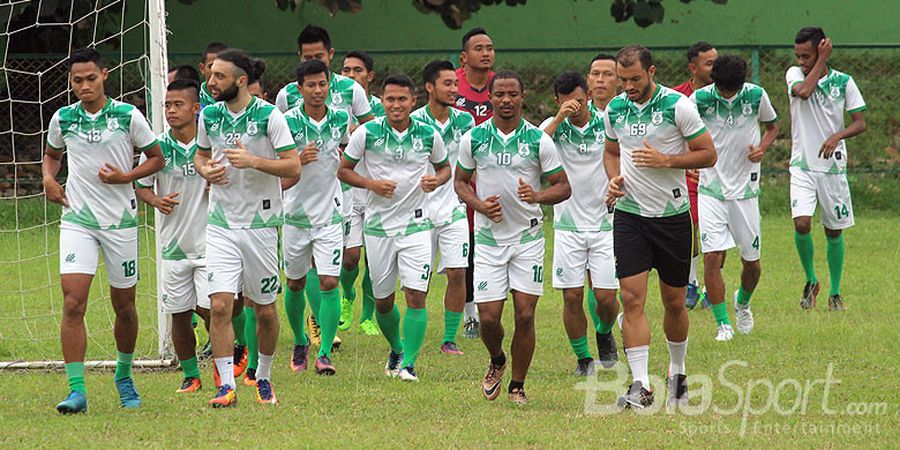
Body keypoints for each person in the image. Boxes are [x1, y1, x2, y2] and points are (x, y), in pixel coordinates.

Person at [44, 47, 165, 414]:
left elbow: (158, 157)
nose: (84, 86)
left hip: (121, 223)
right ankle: (76, 391)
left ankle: (124, 375)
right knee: (72, 301)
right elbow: (52, 155)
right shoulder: (63, 118)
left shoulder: (128, 116)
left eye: (90, 79)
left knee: (124, 306)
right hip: (78, 219)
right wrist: (49, 178)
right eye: (77, 80)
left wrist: (127, 177)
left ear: (105, 76)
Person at [603, 45, 716, 409]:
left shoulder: (677, 106)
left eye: (634, 79)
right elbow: (611, 151)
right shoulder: (616, 108)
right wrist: (614, 179)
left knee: (674, 303)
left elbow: (707, 153)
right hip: (631, 216)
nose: (628, 86)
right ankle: (640, 384)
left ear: (651, 71)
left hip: (672, 219)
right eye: (623, 80)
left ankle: (677, 374)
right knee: (631, 299)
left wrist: (666, 160)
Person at [455, 71, 571, 405]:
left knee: (525, 314)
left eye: (513, 94)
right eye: (500, 94)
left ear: (522, 97)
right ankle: (497, 359)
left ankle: (517, 385)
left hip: (527, 239)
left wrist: (536, 196)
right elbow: (460, 182)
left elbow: (563, 187)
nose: (506, 100)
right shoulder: (473, 138)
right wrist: (478, 205)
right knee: (488, 318)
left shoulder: (538, 140)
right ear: (490, 98)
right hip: (490, 240)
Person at [195, 49, 300, 407]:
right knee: (221, 305)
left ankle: (264, 375)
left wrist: (253, 160)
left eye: (219, 76)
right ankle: (226, 385)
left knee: (265, 309)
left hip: (261, 226)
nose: (211, 82)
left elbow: (293, 167)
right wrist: (204, 169)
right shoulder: (208, 115)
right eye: (210, 75)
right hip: (221, 224)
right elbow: (199, 153)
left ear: (241, 81)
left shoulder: (270, 116)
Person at [338, 74, 450, 382]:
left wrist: (436, 180)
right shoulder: (366, 133)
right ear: (382, 101)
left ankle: (410, 364)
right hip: (377, 229)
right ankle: (398, 348)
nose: (396, 105)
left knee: (416, 296)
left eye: (402, 99)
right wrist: (371, 184)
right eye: (390, 99)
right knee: (384, 303)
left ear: (413, 101)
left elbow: (445, 168)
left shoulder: (428, 135)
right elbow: (344, 170)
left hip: (416, 226)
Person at [275, 25, 373, 351]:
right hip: (296, 205)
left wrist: (350, 156)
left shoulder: (347, 97)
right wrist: (296, 161)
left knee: (339, 266)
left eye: (319, 57)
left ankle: (327, 337)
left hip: (337, 198)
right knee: (300, 277)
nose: (317, 89)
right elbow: (279, 156)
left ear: (330, 55)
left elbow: (364, 133)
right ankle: (311, 329)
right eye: (308, 59)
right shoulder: (285, 103)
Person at [690, 55, 778, 340]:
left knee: (752, 264)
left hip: (745, 192)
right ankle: (723, 324)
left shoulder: (755, 95)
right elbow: (682, 131)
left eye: (732, 90)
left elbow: (772, 127)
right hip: (711, 190)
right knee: (712, 258)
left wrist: (762, 148)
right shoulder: (700, 99)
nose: (727, 94)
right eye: (723, 89)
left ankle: (743, 303)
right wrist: (688, 160)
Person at [539, 71, 619, 375]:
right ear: (557, 101)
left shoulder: (606, 122)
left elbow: (621, 155)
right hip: (568, 226)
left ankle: (604, 330)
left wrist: (617, 184)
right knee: (571, 296)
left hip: (605, 223)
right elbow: (534, 148)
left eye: (579, 99)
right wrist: (559, 118)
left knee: (606, 297)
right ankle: (584, 359)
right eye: (566, 101)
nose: (575, 105)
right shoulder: (552, 127)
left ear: (587, 95)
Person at [135, 79, 210, 392]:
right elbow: (141, 185)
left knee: (212, 310)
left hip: (210, 244)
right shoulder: (158, 147)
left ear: (195, 108)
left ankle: (229, 363)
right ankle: (191, 375)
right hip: (173, 247)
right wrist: (155, 200)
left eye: (178, 104)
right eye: (167, 105)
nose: (170, 111)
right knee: (179, 314)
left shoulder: (210, 146)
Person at [787, 27, 866, 311]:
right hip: (802, 166)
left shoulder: (844, 82)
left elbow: (860, 122)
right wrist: (820, 60)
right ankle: (811, 280)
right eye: (798, 55)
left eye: (806, 55)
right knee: (802, 223)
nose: (800, 61)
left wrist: (837, 136)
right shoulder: (794, 76)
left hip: (832, 168)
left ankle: (835, 292)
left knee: (833, 231)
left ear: (820, 48)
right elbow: (805, 92)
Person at [281, 59, 349, 375]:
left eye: (322, 84)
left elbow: (348, 152)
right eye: (311, 85)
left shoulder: (339, 119)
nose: (318, 90)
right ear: (300, 89)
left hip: (329, 216)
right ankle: (299, 341)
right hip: (294, 215)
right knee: (294, 284)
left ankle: (324, 353)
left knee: (328, 281)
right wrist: (297, 159)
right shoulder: (286, 122)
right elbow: (274, 164)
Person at [411, 60, 476, 355]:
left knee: (458, 273)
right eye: (447, 84)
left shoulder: (465, 122)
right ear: (429, 87)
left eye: (455, 83)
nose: (454, 89)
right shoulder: (413, 121)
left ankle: (449, 339)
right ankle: (415, 333)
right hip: (420, 212)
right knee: (418, 279)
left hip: (453, 208)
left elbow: (471, 164)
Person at [339, 50, 386, 336]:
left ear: (370, 76)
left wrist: (359, 131)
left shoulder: (382, 107)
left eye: (358, 70)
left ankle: (368, 316)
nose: (351, 76)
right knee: (350, 257)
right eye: (346, 70)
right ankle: (347, 297)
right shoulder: (336, 107)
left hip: (377, 192)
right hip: (349, 192)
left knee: (376, 260)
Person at [454, 27, 496, 338]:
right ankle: (469, 315)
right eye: (479, 48)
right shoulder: (451, 85)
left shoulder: (502, 85)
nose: (486, 53)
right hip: (459, 177)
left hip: (495, 175)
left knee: (487, 245)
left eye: (490, 48)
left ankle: (487, 308)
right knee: (464, 248)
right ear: (464, 57)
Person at [673, 41, 718, 309]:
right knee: (689, 230)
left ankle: (713, 285)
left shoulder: (725, 94)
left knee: (716, 235)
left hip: (720, 177)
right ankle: (690, 281)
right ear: (693, 67)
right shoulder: (677, 98)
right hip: (687, 177)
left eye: (717, 61)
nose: (716, 67)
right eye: (709, 63)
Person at [197, 42, 228, 108]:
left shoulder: (240, 100)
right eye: (211, 66)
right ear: (202, 68)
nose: (217, 71)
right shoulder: (193, 100)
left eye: (223, 66)